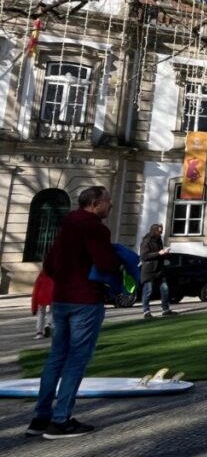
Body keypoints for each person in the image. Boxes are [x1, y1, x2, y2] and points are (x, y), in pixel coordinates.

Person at [27, 185, 119, 440]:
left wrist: (66, 283)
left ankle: (40, 417)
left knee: (56, 357)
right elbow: (105, 264)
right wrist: (115, 263)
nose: (110, 206)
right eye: (108, 202)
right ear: (95, 203)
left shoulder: (67, 226)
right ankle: (61, 420)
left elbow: (50, 264)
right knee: (77, 359)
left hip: (62, 299)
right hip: (85, 300)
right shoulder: (94, 228)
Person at [139, 223, 174, 319]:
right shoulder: (146, 241)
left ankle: (165, 309)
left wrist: (165, 253)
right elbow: (144, 256)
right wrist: (158, 253)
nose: (161, 233)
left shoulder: (159, 240)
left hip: (159, 269)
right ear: (154, 231)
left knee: (165, 289)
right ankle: (146, 311)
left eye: (161, 231)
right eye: (159, 231)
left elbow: (160, 254)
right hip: (149, 270)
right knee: (148, 291)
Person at [31, 270, 54, 340]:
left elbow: (36, 289)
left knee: (41, 314)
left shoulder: (42, 274)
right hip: (53, 295)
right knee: (52, 311)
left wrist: (34, 308)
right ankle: (49, 324)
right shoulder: (58, 272)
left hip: (41, 296)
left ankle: (39, 332)